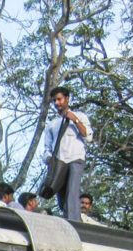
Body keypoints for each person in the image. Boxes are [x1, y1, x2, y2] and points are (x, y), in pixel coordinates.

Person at [43, 86, 93, 220]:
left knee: (72, 192)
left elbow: (88, 137)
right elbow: (47, 147)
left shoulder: (80, 116)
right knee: (61, 196)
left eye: (59, 99)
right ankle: (68, 219)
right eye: (54, 100)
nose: (57, 103)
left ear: (67, 99)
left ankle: (74, 222)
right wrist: (49, 160)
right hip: (59, 162)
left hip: (75, 159)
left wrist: (75, 120)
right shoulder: (52, 124)